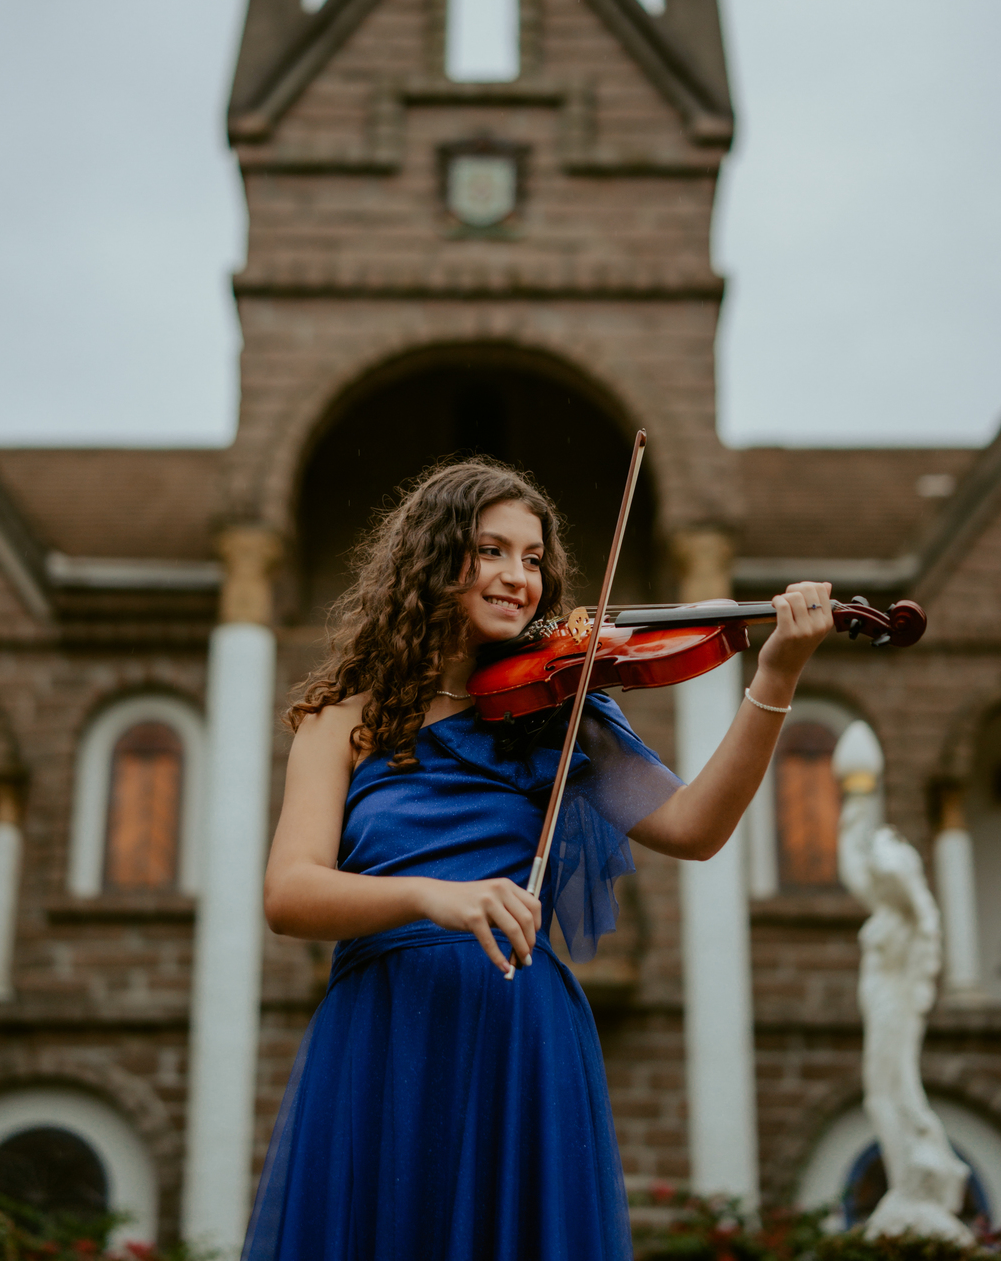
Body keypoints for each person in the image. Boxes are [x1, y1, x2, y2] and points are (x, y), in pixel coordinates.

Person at [245, 458, 833, 1261]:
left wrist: (776, 675)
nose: (518, 577)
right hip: (382, 1029)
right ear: (432, 559)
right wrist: (435, 897)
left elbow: (695, 828)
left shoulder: (561, 712)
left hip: (518, 1030)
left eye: (532, 559)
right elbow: (289, 894)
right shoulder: (342, 723)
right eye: (490, 551)